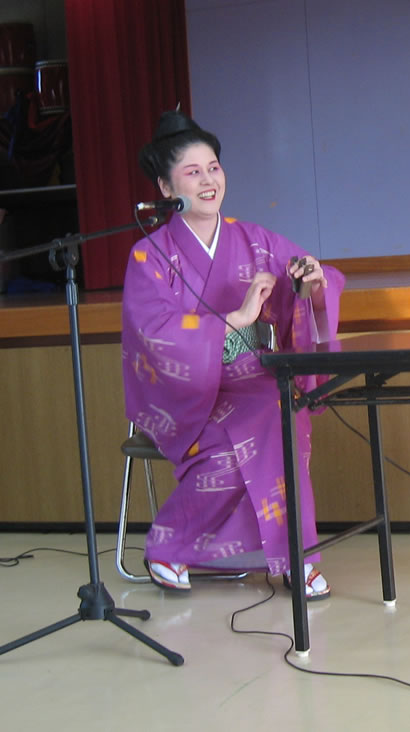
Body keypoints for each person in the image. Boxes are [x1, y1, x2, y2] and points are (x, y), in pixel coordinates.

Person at [121, 110, 345, 599]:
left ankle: (174, 546)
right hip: (186, 391)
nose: (208, 180)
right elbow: (154, 334)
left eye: (214, 167)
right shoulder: (149, 256)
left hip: (253, 377)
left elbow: (304, 290)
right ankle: (294, 558)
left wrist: (310, 282)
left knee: (279, 405)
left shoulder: (254, 240)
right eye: (192, 172)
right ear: (165, 187)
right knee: (268, 419)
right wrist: (234, 320)